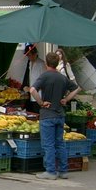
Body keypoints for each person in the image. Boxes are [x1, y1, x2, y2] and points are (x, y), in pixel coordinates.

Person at [30, 52, 81, 180]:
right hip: (60, 114)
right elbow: (77, 88)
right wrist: (66, 99)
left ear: (46, 63)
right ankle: (63, 170)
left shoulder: (45, 76)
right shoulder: (62, 78)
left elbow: (32, 90)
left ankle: (51, 171)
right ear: (57, 63)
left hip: (47, 115)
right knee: (60, 143)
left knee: (48, 145)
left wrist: (41, 103)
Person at [22, 45, 46, 113]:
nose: (29, 57)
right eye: (28, 56)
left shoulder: (41, 64)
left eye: (30, 55)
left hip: (40, 95)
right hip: (32, 95)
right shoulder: (30, 63)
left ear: (35, 54)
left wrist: (30, 88)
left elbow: (44, 81)